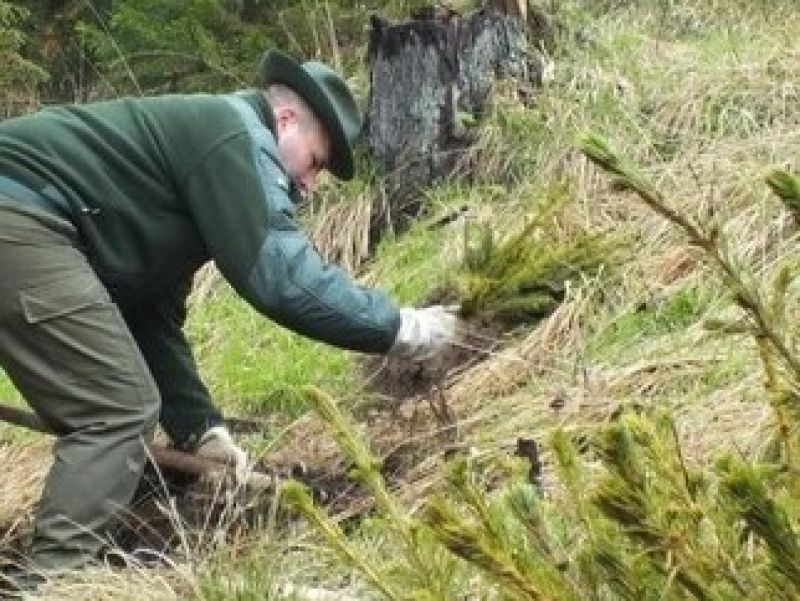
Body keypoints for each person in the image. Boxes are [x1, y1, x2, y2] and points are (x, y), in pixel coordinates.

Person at [0, 49, 456, 591]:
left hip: (30, 220)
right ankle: (55, 581)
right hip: (21, 216)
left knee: (120, 406)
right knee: (115, 411)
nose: (311, 186)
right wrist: (404, 328)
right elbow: (282, 279)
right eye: (314, 161)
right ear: (285, 120)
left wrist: (200, 430)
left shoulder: (183, 174)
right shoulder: (232, 135)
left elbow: (151, 321)